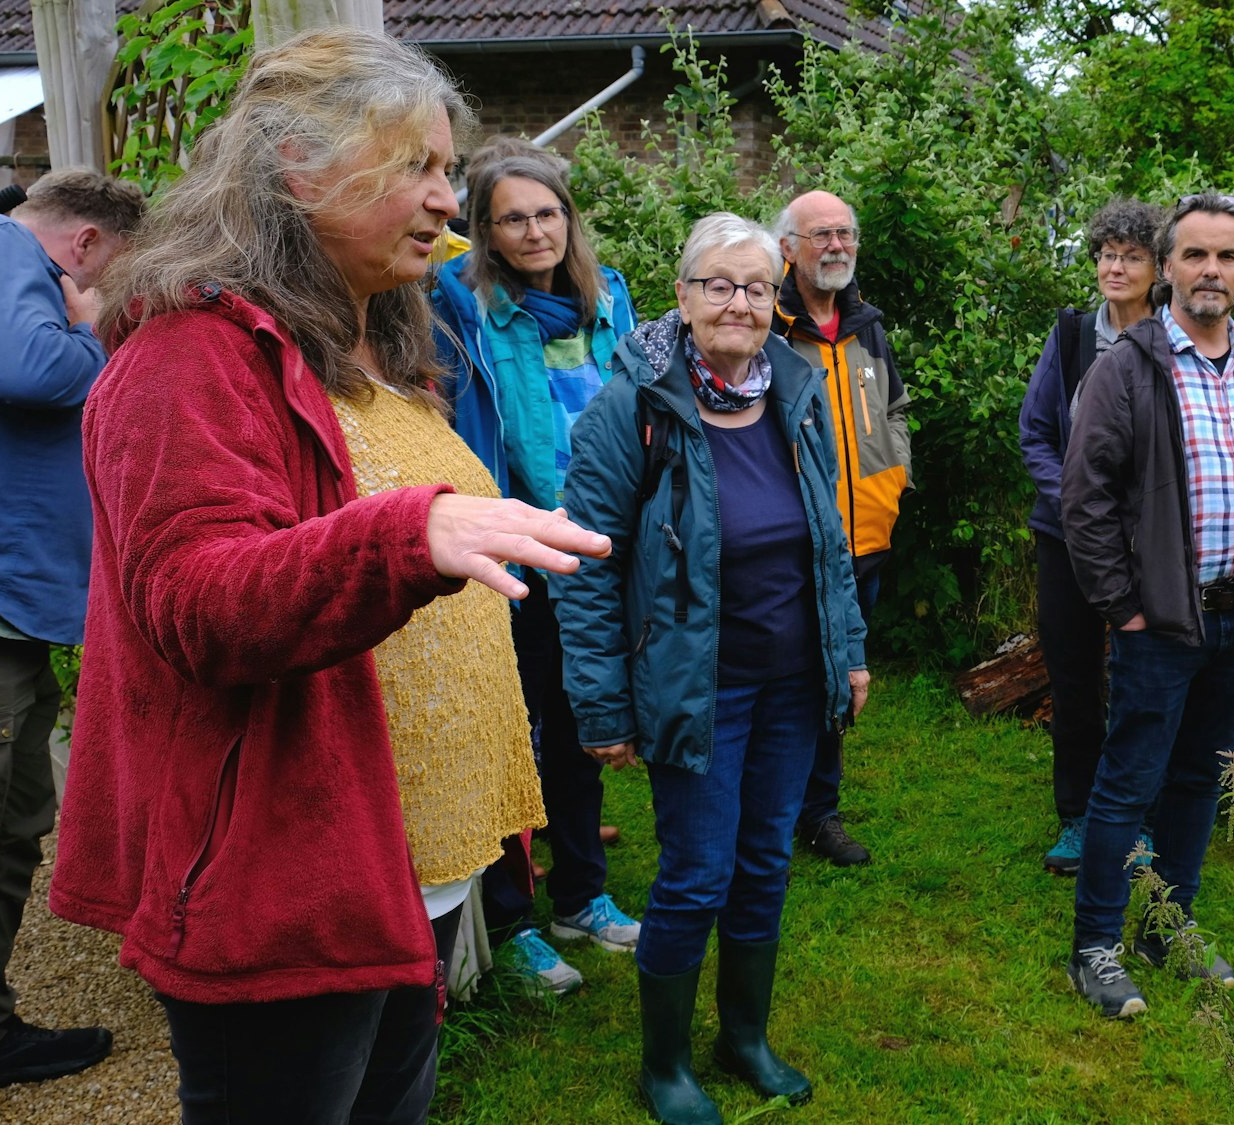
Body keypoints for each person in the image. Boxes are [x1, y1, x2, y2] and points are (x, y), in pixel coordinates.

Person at [46, 29, 608, 1122]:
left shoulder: (373, 346)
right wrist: (404, 537)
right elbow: (196, 602)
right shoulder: (187, 355)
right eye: (420, 167)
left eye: (451, 170)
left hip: (407, 873)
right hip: (289, 878)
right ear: (298, 167)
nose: (451, 199)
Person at [554, 213, 867, 1125]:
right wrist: (603, 704)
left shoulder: (798, 391)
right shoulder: (636, 407)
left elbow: (828, 538)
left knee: (766, 861)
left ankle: (744, 1037)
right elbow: (588, 559)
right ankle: (665, 1065)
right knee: (696, 871)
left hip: (792, 682)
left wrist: (843, 648)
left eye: (759, 287)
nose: (741, 302)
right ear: (683, 296)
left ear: (779, 300)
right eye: (720, 284)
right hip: (697, 686)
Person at [1060, 192, 1234, 1019]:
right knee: (1129, 781)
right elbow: (1084, 502)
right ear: (1166, 267)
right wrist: (1124, 609)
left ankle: (1170, 928)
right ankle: (1094, 946)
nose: (1211, 270)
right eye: (1195, 255)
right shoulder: (1126, 366)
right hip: (1162, 620)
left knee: (1203, 775)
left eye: (1227, 256)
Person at [0, 168, 143, 1105]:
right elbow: (27, 372)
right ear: (87, 246)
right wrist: (93, 323)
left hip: (6, 614)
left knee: (7, 827)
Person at [432, 136, 643, 993]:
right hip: (513, 555)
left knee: (583, 724)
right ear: (482, 230)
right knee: (507, 741)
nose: (534, 232)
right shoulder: (462, 306)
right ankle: (512, 919)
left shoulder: (608, 298)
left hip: (594, 551)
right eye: (511, 219)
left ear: (569, 217)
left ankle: (581, 894)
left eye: (547, 213)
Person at [1019, 198, 1165, 876]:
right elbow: (1036, 435)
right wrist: (1079, 510)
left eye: (1130, 255)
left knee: (1145, 681)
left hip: (1150, 545)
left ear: (1158, 268)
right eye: (1107, 253)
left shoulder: (1175, 340)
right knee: (1075, 680)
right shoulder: (1072, 334)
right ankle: (1077, 818)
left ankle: (1138, 819)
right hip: (1068, 541)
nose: (1114, 265)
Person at [773, 189, 910, 868]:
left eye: (845, 234)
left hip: (867, 541)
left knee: (839, 681)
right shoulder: (768, 328)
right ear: (787, 249)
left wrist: (893, 483)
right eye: (820, 234)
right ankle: (774, 806)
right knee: (789, 677)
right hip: (796, 541)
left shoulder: (867, 326)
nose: (836, 246)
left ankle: (818, 811)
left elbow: (896, 410)